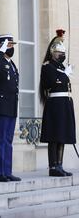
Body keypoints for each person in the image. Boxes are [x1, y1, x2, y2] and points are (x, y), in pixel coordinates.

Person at [39, 29, 75, 177]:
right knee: (54, 136)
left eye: (63, 53)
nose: (62, 55)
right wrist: (64, 74)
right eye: (59, 53)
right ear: (53, 52)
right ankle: (52, 166)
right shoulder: (48, 66)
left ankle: (59, 164)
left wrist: (64, 73)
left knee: (62, 135)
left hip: (64, 103)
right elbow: (52, 82)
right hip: (55, 104)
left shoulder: (60, 67)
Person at [0, 34, 21, 182]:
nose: (11, 48)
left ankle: (7, 171)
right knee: (0, 139)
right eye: (8, 45)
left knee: (8, 140)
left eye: (12, 46)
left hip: (11, 106)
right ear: (1, 46)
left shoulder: (11, 64)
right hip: (0, 106)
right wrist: (0, 52)